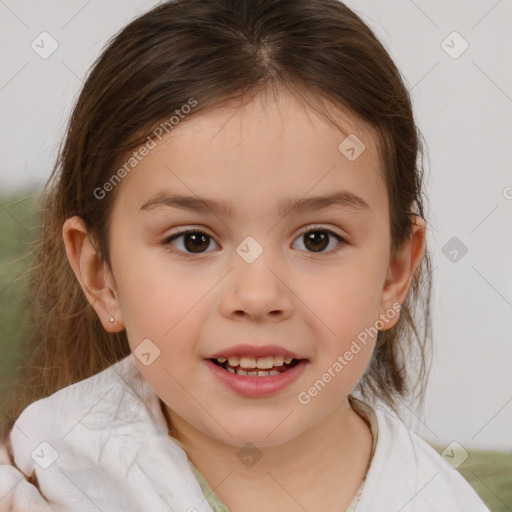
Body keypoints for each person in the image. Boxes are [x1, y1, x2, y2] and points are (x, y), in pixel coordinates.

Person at [0, 0, 490, 510]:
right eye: (193, 240)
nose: (257, 297)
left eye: (317, 239)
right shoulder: (38, 475)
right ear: (100, 275)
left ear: (394, 273)